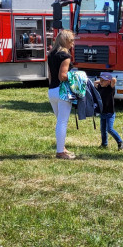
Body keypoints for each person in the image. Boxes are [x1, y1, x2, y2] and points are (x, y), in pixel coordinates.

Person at [47, 29, 76, 159]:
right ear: (65, 41)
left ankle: (62, 147)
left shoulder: (51, 54)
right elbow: (63, 76)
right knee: (62, 122)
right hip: (62, 92)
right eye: (71, 41)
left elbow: (50, 75)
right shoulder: (65, 56)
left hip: (52, 91)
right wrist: (75, 77)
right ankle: (60, 152)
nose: (73, 44)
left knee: (60, 121)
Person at [95, 73, 123, 151]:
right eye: (100, 80)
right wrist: (101, 82)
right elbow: (95, 83)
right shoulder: (100, 87)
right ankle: (104, 144)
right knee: (103, 129)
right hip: (103, 112)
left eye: (103, 80)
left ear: (108, 81)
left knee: (109, 129)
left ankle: (120, 142)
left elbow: (114, 80)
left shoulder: (110, 88)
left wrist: (109, 80)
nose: (101, 82)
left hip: (110, 113)